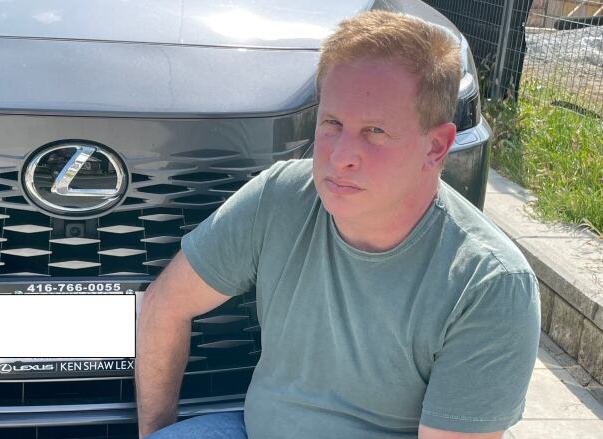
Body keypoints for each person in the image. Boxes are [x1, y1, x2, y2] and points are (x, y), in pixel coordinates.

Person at [135, 10, 540, 439]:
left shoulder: (489, 284)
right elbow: (165, 305)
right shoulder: (282, 197)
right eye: (332, 123)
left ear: (436, 146)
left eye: (375, 131)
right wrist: (156, 431)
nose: (340, 154)